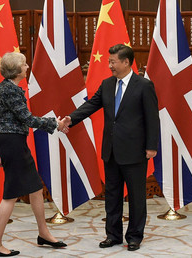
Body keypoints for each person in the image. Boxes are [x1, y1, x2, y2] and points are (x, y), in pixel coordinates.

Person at [63, 44, 159, 251]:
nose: (110, 66)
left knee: (136, 197)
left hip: (135, 151)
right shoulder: (107, 84)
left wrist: (152, 146)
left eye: (113, 62)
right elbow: (91, 105)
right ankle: (112, 235)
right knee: (113, 196)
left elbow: (153, 118)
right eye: (109, 62)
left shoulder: (143, 85)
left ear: (126, 62)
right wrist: (71, 118)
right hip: (111, 150)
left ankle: (134, 237)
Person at [0, 52, 68, 257]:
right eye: (24, 64)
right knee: (11, 195)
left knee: (35, 188)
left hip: (12, 142)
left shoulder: (6, 88)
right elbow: (27, 119)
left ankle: (43, 233)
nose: (27, 67)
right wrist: (55, 124)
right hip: (13, 143)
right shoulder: (10, 91)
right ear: (16, 70)